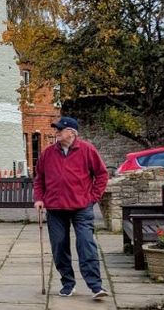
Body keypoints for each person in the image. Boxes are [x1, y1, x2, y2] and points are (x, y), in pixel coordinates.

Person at [33, 116, 110, 299]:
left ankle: (96, 286)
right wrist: (39, 199)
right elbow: (39, 179)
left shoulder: (87, 150)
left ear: (72, 133)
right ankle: (68, 283)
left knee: (86, 244)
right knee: (59, 246)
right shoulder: (48, 153)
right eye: (56, 129)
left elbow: (101, 175)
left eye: (60, 129)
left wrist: (93, 197)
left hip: (81, 207)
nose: (56, 132)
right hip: (55, 208)